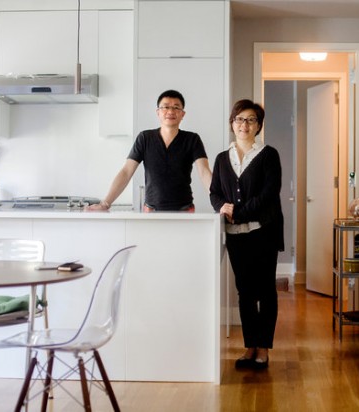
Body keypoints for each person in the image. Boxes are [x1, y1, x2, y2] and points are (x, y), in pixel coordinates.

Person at [210, 99, 284, 369]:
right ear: (232, 123)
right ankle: (249, 346)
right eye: (240, 119)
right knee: (244, 291)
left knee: (265, 290)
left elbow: (268, 195)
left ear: (259, 125)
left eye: (251, 119)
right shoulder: (221, 158)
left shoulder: (268, 155)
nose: (245, 124)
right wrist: (221, 206)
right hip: (236, 236)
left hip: (263, 233)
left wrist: (237, 211)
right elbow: (215, 192)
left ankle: (263, 348)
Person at [86, 89, 211, 212]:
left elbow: (205, 172)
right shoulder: (145, 138)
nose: (170, 111)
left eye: (176, 107)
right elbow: (126, 171)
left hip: (184, 210)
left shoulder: (192, 139)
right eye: (165, 107)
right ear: (158, 112)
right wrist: (105, 203)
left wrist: (219, 202)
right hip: (151, 211)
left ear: (182, 114)